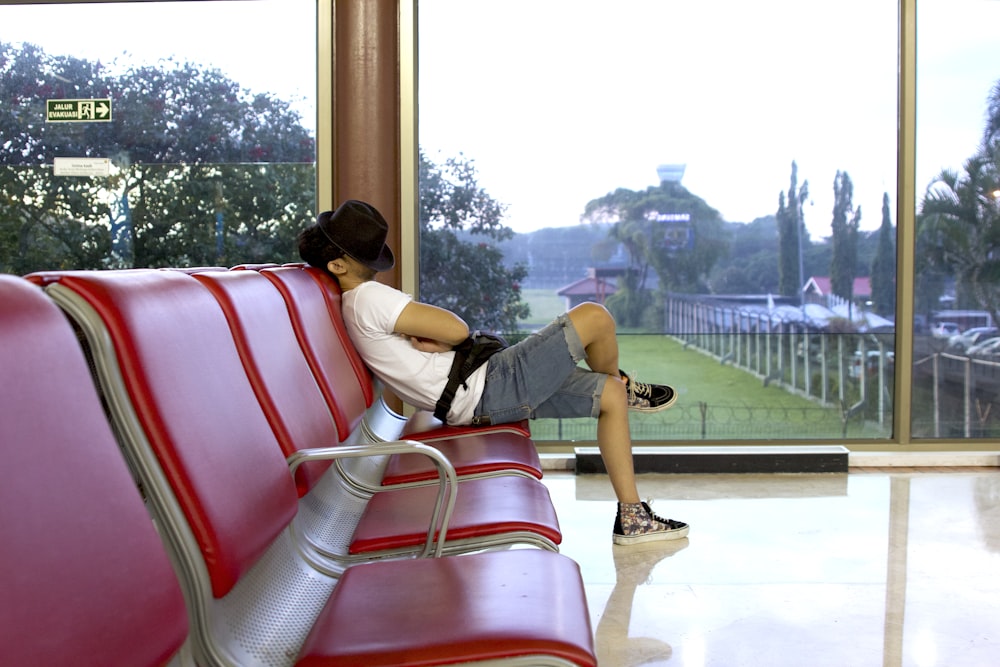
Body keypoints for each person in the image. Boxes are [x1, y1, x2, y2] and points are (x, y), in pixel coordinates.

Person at [298, 199, 688, 545]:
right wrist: (447, 340)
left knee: (609, 397)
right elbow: (456, 329)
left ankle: (632, 516)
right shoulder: (367, 297)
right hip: (487, 385)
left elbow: (438, 341)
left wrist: (440, 341)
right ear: (338, 264)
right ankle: (625, 381)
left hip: (477, 393)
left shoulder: (355, 306)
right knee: (595, 316)